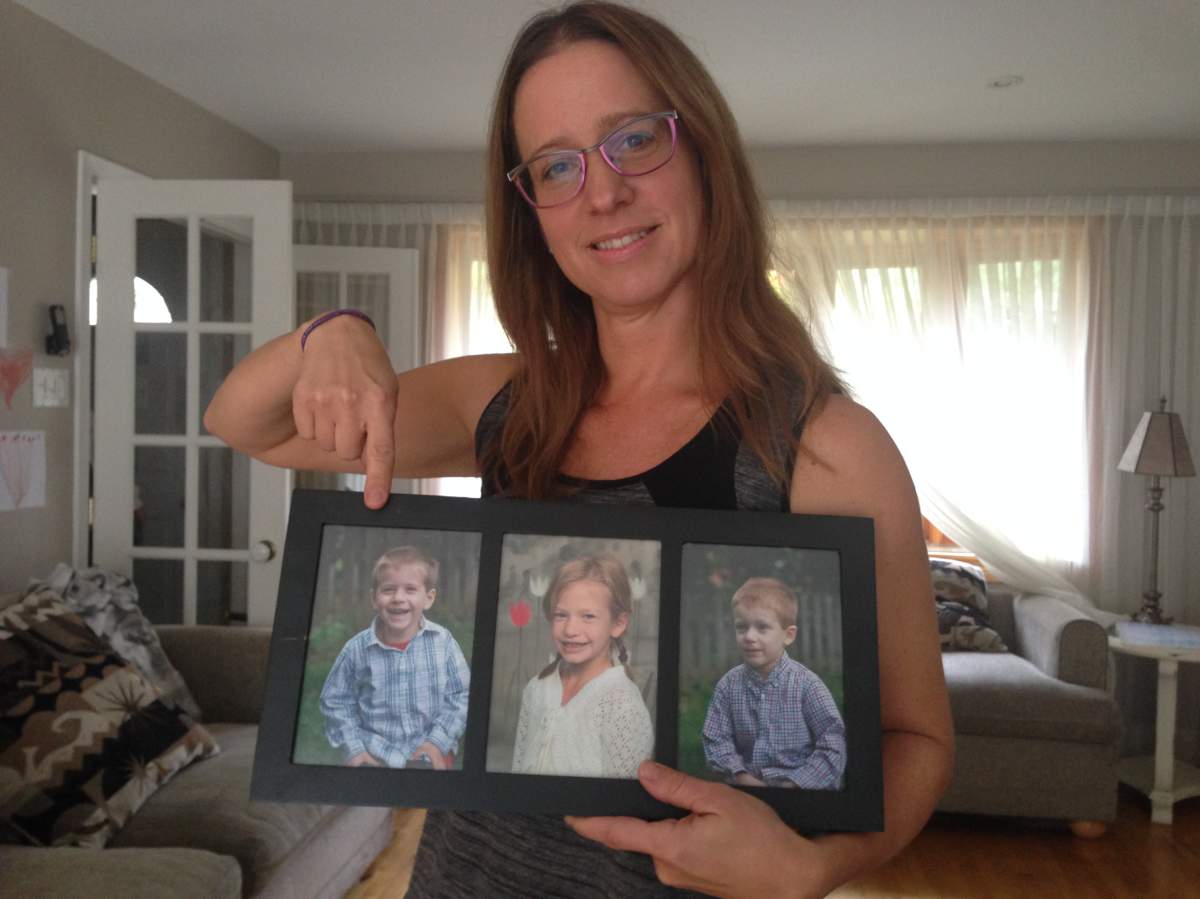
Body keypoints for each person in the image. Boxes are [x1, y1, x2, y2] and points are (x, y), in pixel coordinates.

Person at [204, 2, 953, 894]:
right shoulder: (504, 403)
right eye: (557, 165)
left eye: (633, 140)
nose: (603, 192)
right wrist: (329, 333)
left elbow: (917, 738)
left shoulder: (826, 446)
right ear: (531, 210)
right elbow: (246, 420)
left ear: (703, 148)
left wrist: (816, 866)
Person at [319, 546, 469, 770]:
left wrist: (437, 743)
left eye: (410, 589)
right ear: (373, 598)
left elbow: (462, 695)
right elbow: (336, 701)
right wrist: (355, 749)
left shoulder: (443, 642)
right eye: (388, 589)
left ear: (429, 598)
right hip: (376, 757)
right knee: (369, 805)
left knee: (428, 805)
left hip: (430, 758)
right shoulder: (357, 649)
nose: (399, 598)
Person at [511, 554, 654, 778]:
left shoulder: (622, 704)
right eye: (561, 615)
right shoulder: (536, 688)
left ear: (618, 624)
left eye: (588, 616)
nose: (570, 629)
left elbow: (622, 801)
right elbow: (517, 768)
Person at [702, 577, 847, 790]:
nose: (749, 636)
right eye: (741, 627)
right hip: (746, 788)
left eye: (762, 627)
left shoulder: (807, 685)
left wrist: (795, 785)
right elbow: (716, 739)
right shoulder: (728, 686)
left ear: (788, 635)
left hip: (800, 789)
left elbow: (833, 742)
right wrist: (742, 777)